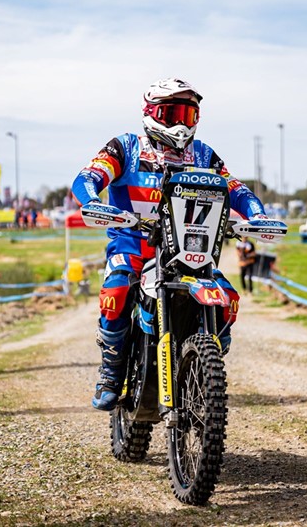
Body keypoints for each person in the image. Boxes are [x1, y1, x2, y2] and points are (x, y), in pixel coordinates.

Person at [72, 78, 269, 411]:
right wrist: (92, 200)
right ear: (152, 113)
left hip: (187, 250)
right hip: (133, 244)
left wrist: (257, 214)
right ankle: (111, 372)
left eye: (188, 115)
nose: (181, 123)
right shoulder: (125, 148)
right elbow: (88, 176)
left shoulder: (203, 154)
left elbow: (236, 189)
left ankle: (204, 362)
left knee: (227, 298)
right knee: (116, 292)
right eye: (172, 113)